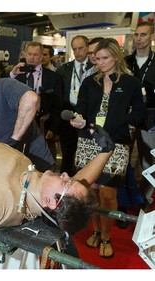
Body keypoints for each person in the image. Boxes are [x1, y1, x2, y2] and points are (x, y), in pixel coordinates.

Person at [72, 38, 146, 258]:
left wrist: (122, 122)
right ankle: (95, 231)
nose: (100, 62)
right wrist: (78, 120)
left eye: (104, 58)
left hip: (116, 143)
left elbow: (140, 113)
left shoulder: (131, 82)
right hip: (89, 142)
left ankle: (106, 236)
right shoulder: (89, 82)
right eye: (97, 58)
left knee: (108, 193)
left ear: (116, 57)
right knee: (91, 190)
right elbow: (81, 109)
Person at [10, 41, 62, 165]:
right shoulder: (17, 75)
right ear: (25, 55)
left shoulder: (53, 77)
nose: (32, 58)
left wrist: (53, 129)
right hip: (20, 126)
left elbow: (57, 104)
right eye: (29, 54)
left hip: (44, 125)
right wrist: (13, 75)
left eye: (35, 55)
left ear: (41, 56)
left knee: (46, 163)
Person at [125, 21, 155, 209]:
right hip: (126, 117)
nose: (138, 38)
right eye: (136, 35)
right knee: (124, 161)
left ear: (151, 37)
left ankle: (145, 199)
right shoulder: (125, 62)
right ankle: (124, 201)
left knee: (148, 162)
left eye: (143, 35)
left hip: (150, 119)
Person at [56, 35, 93, 176]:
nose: (78, 52)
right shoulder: (64, 69)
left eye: (81, 48)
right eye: (74, 49)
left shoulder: (95, 69)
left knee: (86, 154)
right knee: (67, 154)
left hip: (87, 116)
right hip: (68, 116)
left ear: (87, 48)